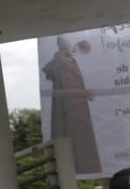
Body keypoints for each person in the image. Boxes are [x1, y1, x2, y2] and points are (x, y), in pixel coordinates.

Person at [40, 37, 101, 175]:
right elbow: (70, 85)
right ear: (65, 46)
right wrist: (84, 93)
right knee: (79, 150)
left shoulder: (63, 60)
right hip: (73, 113)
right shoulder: (64, 62)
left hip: (72, 110)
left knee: (76, 149)